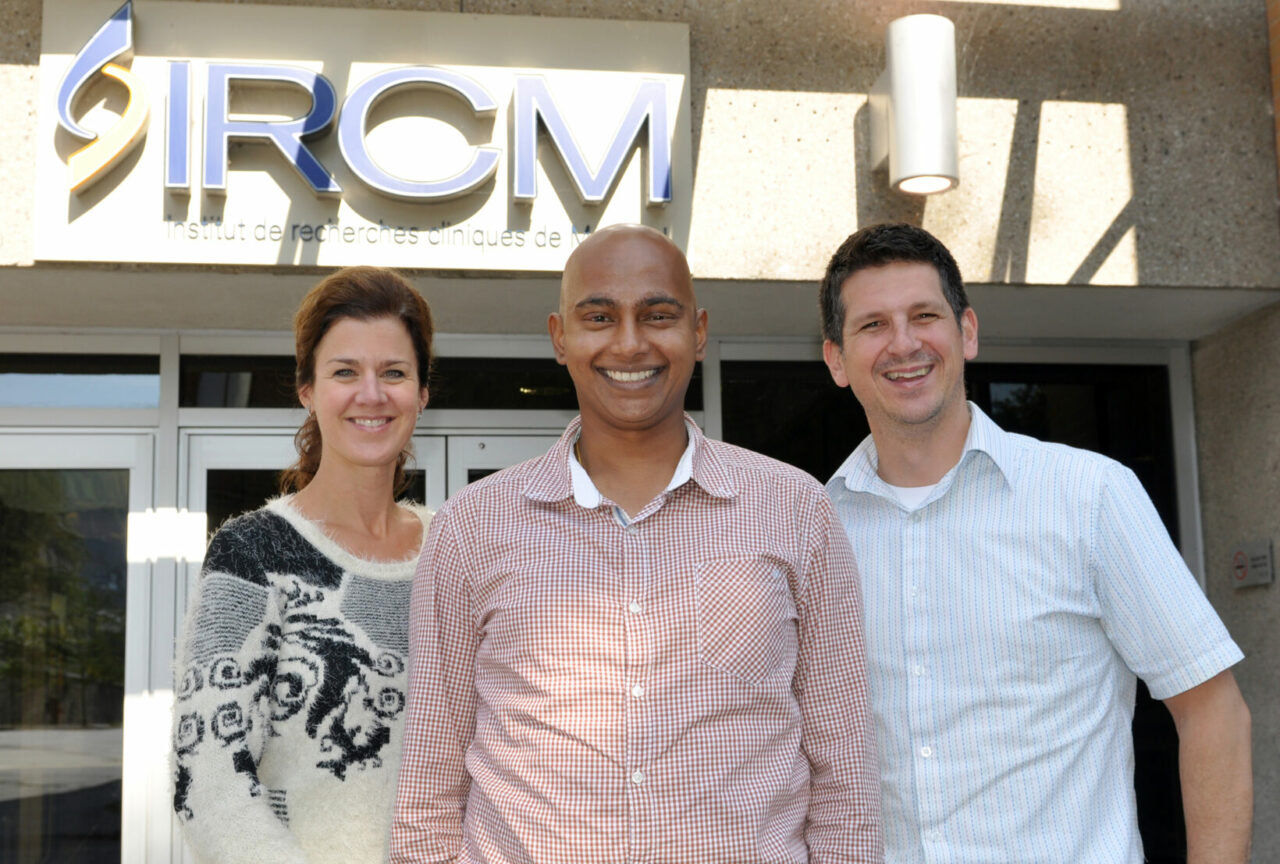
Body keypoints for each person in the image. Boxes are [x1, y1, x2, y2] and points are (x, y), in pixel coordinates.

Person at [390, 224, 882, 863]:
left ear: (698, 333)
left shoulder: (794, 511)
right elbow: (430, 780)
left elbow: (844, 773)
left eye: (658, 315)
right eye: (599, 316)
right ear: (559, 337)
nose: (629, 342)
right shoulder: (473, 527)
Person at [818, 222, 1253, 864]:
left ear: (966, 331)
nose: (903, 343)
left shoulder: (1090, 496)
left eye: (924, 315)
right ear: (836, 359)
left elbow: (1212, 711)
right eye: (872, 325)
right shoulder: (816, 529)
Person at [171, 267, 435, 864]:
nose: (372, 394)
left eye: (394, 372)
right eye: (345, 372)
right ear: (308, 391)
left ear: (422, 393)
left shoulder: (456, 548)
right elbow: (208, 785)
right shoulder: (253, 551)